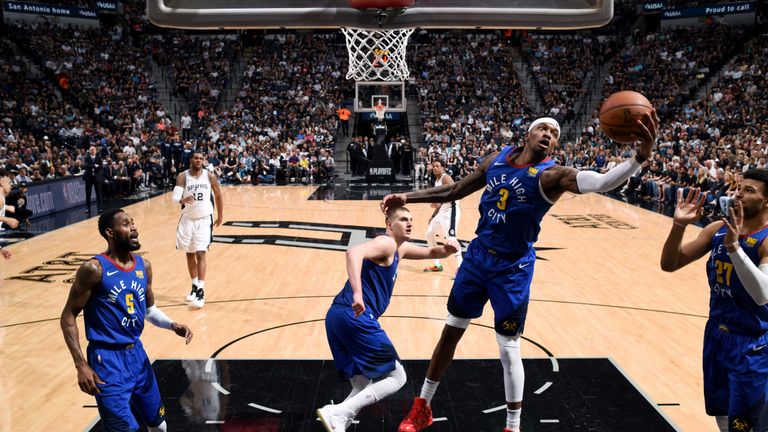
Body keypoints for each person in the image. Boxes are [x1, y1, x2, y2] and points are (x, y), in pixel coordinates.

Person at [380, 114, 659, 432]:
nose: (549, 135)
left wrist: (640, 156)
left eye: (554, 133)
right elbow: (455, 190)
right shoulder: (496, 160)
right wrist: (407, 197)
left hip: (512, 269)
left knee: (508, 347)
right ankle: (422, 407)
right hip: (477, 259)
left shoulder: (553, 175)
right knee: (451, 331)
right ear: (527, 135)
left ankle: (513, 426)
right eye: (543, 128)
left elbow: (601, 182)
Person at [316, 206, 460, 432]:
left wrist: (447, 251)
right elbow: (353, 253)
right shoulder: (388, 243)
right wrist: (357, 293)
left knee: (362, 384)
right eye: (403, 219)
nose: (409, 223)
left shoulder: (398, 249)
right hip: (357, 316)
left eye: (411, 219)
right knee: (397, 376)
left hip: (337, 316)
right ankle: (337, 413)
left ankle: (339, 421)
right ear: (389, 225)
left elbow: (432, 254)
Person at [60, 208, 193, 432]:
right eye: (126, 224)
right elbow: (68, 316)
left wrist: (172, 325)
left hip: (137, 356)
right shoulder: (94, 269)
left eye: (132, 222)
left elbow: (149, 310)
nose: (134, 227)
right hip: (107, 361)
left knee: (159, 425)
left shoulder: (144, 266)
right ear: (110, 233)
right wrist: (81, 364)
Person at [660, 171, 768, 432]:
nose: (739, 193)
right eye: (739, 188)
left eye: (750, 190)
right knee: (722, 415)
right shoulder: (717, 229)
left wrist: (735, 249)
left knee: (745, 426)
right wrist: (679, 226)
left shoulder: (765, 239)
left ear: (767, 202)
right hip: (717, 337)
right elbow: (670, 264)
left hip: (751, 345)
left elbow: (763, 294)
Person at [172, 151, 223, 308]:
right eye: (196, 158)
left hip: (204, 220)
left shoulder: (210, 176)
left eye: (201, 158)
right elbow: (174, 199)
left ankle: (201, 290)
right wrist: (181, 199)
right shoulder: (183, 176)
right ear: (191, 160)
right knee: (189, 253)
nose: (199, 160)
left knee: (201, 252)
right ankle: (194, 286)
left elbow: (219, 195)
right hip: (187, 220)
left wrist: (220, 216)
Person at [423, 160, 462, 275]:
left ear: (443, 168)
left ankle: (461, 268)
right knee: (429, 234)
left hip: (451, 210)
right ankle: (437, 264)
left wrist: (438, 203)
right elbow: (440, 201)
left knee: (451, 238)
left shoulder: (446, 178)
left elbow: (452, 193)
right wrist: (433, 215)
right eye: (433, 166)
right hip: (441, 211)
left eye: (437, 166)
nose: (435, 168)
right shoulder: (436, 181)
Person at [83, 146, 105, 215]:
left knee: (98, 193)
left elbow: (101, 167)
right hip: (88, 177)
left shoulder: (98, 158)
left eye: (93, 150)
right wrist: (94, 166)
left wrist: (94, 167)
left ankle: (100, 208)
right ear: (89, 151)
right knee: (88, 194)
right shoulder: (87, 158)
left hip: (97, 177)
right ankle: (87, 208)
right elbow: (86, 165)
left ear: (96, 151)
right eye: (91, 150)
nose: (92, 151)